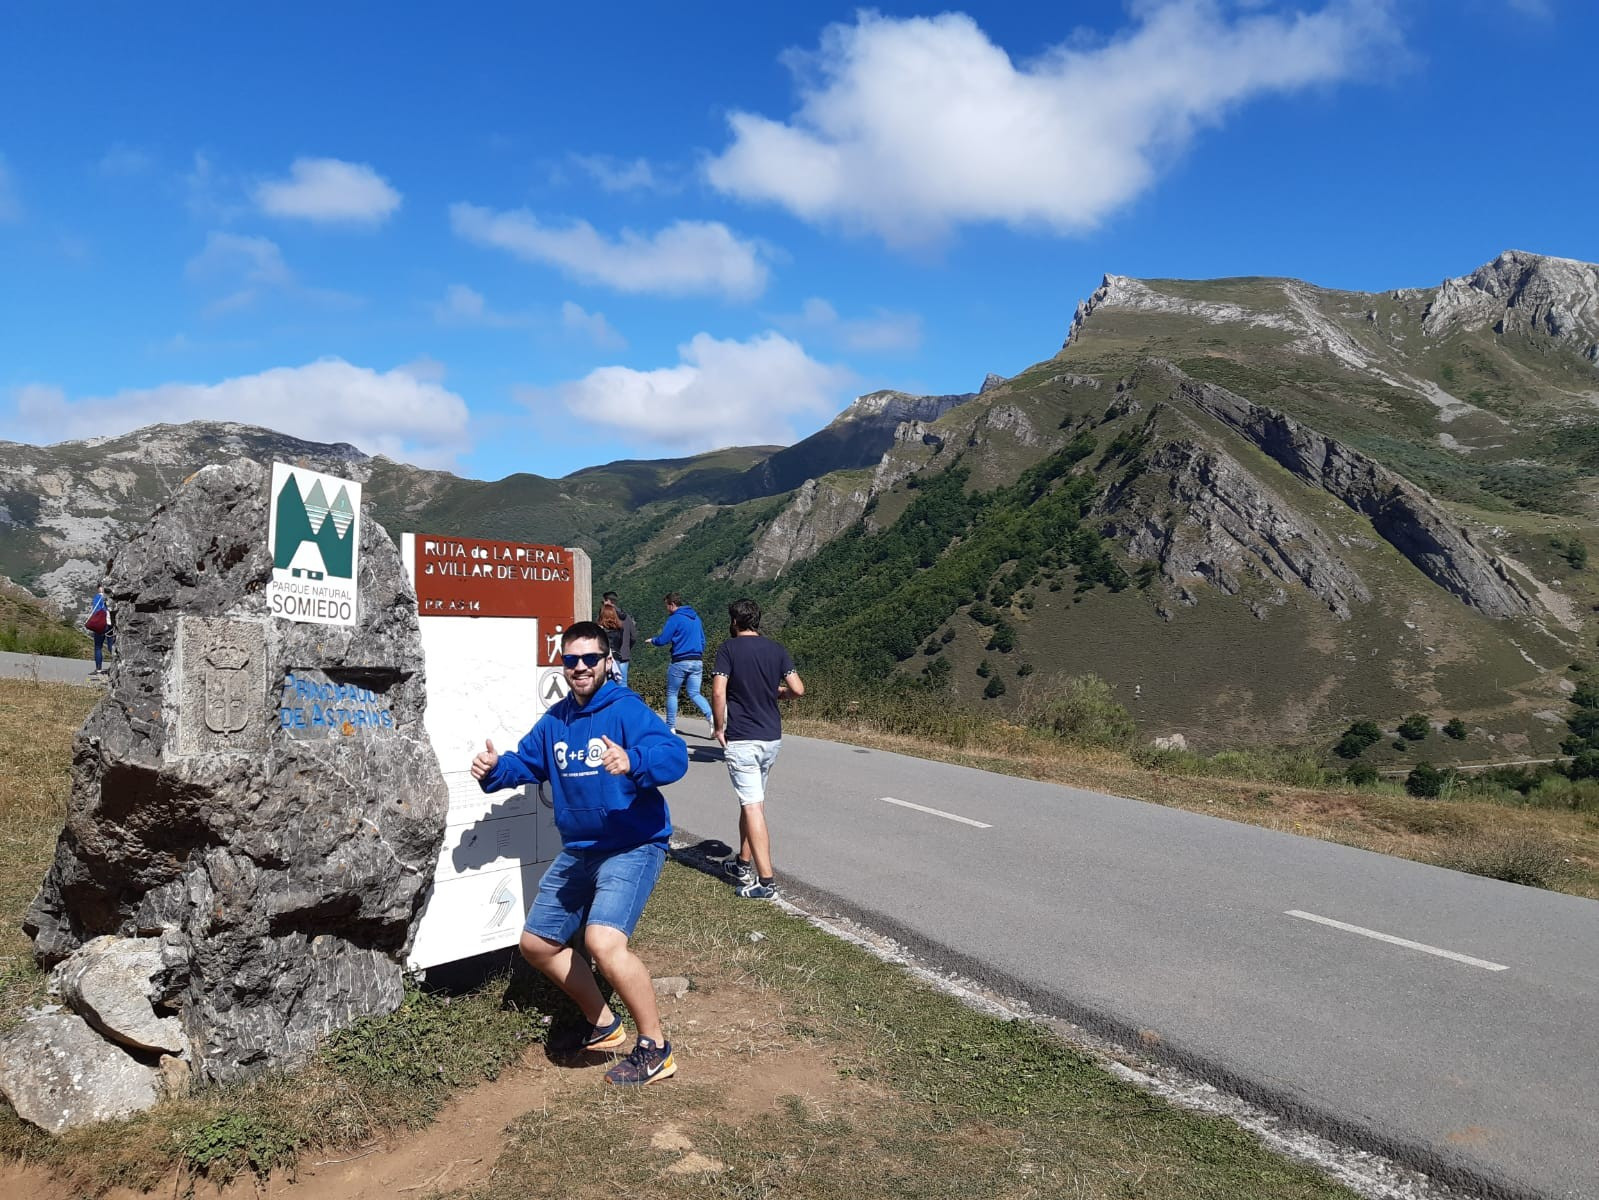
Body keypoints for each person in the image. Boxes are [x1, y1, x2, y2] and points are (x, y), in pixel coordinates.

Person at [470, 620, 686, 1086]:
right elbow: (523, 764)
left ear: (608, 662)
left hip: (632, 845)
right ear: (563, 665)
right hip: (580, 851)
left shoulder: (627, 710)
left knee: (603, 944)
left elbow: (675, 755)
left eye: (591, 658)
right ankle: (604, 1025)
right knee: (537, 944)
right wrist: (493, 770)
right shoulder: (556, 721)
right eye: (572, 660)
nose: (582, 667)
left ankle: (655, 1048)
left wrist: (635, 762)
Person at [712, 598, 804, 900]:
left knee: (752, 806)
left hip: (743, 737)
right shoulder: (776, 649)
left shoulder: (728, 649)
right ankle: (742, 862)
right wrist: (777, 693)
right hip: (771, 738)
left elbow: (718, 690)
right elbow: (798, 689)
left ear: (734, 621)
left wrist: (719, 726)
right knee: (754, 802)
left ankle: (766, 882)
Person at [648, 592, 714, 735]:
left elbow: (664, 639)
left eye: (666, 605)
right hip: (697, 660)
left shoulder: (675, 619)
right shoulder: (696, 618)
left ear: (672, 605)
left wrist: (653, 640)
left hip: (680, 661)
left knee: (672, 693)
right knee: (695, 693)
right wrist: (697, 653)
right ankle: (711, 717)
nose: (666, 609)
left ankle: (670, 726)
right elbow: (703, 640)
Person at [602, 591, 637, 687]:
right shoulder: (626, 617)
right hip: (624, 654)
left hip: (610, 655)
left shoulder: (605, 616)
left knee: (610, 683)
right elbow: (633, 636)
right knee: (623, 683)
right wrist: (627, 647)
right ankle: (623, 701)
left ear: (607, 601)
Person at [597, 597, 628, 686]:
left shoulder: (600, 631)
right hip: (617, 658)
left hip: (604, 660)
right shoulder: (620, 629)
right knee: (619, 685)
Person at [84, 584, 112, 676]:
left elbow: (96, 611)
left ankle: (98, 669)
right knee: (111, 647)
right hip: (110, 625)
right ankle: (116, 666)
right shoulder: (111, 596)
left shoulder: (98, 597)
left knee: (98, 647)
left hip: (100, 625)